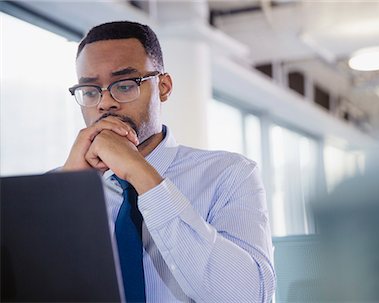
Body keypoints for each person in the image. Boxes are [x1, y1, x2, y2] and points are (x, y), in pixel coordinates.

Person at [62, 21, 276, 303]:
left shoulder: (230, 174)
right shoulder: (61, 182)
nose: (104, 103)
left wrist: (140, 173)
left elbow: (247, 296)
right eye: (90, 91)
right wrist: (66, 192)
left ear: (163, 87)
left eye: (124, 86)